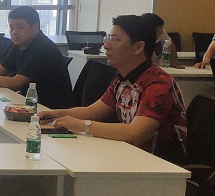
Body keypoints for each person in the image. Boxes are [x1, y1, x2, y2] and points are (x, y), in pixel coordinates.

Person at [41, 15, 187, 164]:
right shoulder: (122, 79)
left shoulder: (158, 83)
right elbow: (92, 112)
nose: (106, 45)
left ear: (138, 47)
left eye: (115, 40)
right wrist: (53, 114)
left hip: (160, 166)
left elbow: (136, 133)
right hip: (129, 156)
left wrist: (83, 125)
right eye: (108, 38)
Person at [0, 6, 73, 108]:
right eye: (11, 27)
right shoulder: (19, 44)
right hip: (27, 101)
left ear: (35, 28)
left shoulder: (42, 48)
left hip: (49, 108)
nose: (14, 32)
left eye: (20, 27)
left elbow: (15, 82)